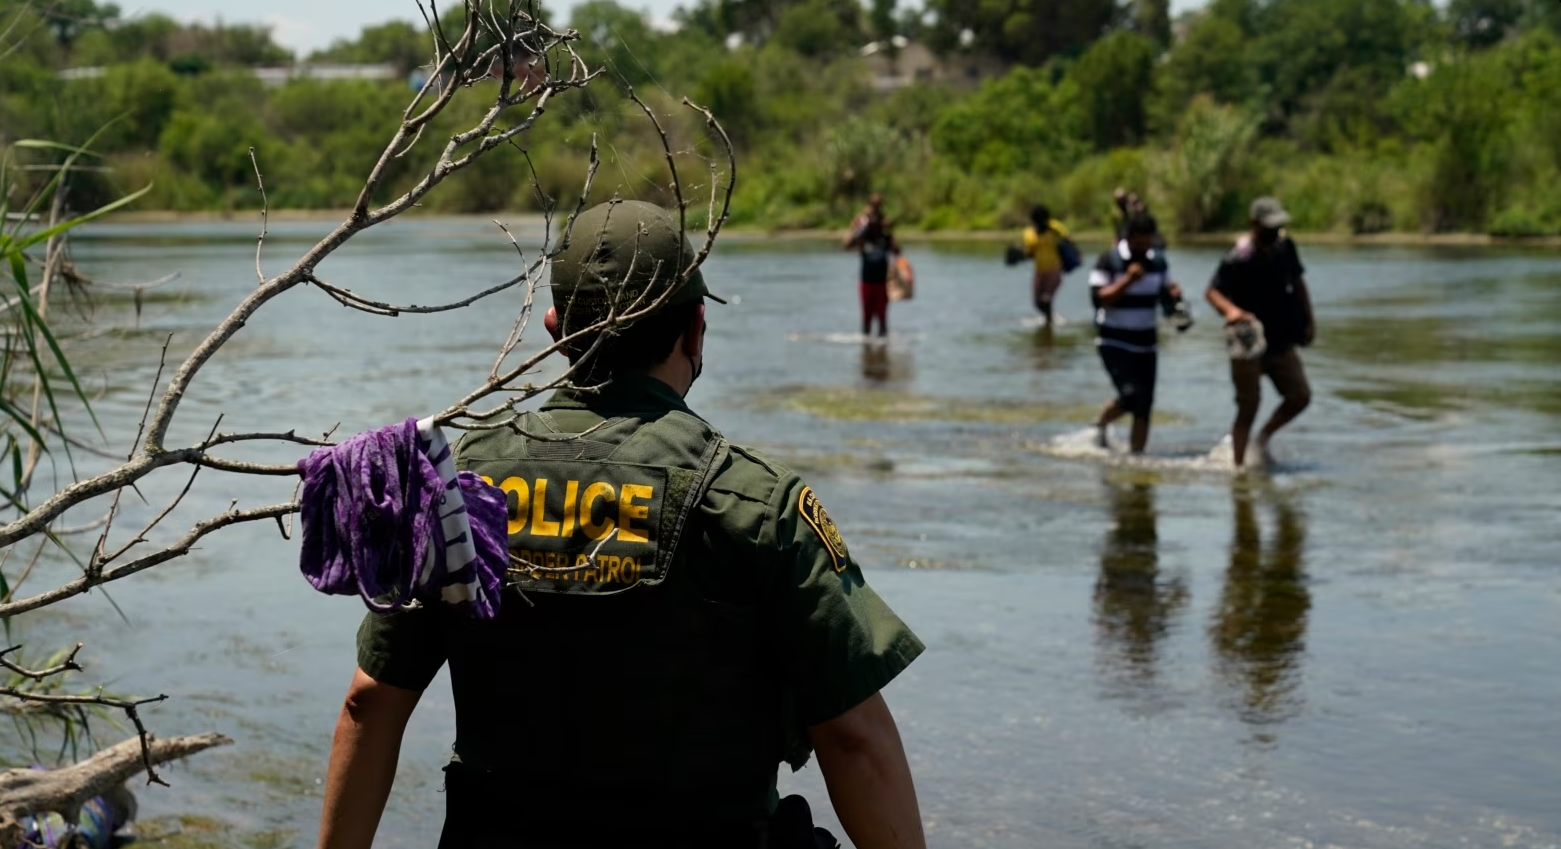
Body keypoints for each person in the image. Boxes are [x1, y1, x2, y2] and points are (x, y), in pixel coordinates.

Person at [317, 200, 927, 849]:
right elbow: (854, 737)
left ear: (554, 329)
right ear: (694, 330)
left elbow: (370, 701)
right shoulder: (753, 501)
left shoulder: (452, 487)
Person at [1205, 196, 1316, 468]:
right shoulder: (1237, 257)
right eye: (1268, 228)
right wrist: (1230, 311)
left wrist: (1309, 320)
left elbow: (1298, 283)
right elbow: (1212, 292)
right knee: (1248, 406)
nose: (1273, 234)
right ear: (1254, 225)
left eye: (1277, 228)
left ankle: (1263, 438)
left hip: (1280, 337)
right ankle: (1239, 469)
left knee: (1300, 396)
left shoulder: (1285, 247)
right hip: (1247, 338)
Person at [1090, 211, 1182, 454]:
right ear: (1127, 238)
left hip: (1146, 342)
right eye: (1138, 243)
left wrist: (1174, 297)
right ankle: (1099, 426)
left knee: (1144, 406)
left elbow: (1166, 300)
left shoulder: (1159, 262)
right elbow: (1099, 299)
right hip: (1114, 340)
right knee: (1131, 396)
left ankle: (1136, 458)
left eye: (1147, 242)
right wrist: (1127, 280)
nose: (1143, 249)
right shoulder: (1108, 260)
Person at [844, 193, 899, 337]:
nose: (875, 214)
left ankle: (882, 350)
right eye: (874, 208)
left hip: (882, 282)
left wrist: (888, 230)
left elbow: (897, 251)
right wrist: (859, 228)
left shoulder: (884, 232)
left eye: (878, 208)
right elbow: (847, 245)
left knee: (882, 319)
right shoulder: (863, 231)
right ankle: (867, 352)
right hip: (867, 281)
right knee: (866, 319)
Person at [1020, 204, 1073, 324]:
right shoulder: (1029, 234)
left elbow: (1068, 240)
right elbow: (1029, 253)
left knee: (1046, 299)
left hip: (1055, 269)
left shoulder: (1055, 228)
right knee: (1037, 302)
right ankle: (1050, 321)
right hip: (1039, 271)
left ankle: (1049, 322)